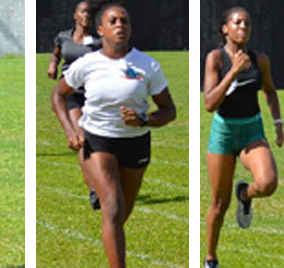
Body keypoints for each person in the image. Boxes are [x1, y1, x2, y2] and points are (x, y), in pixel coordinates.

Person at [51, 1, 176, 267]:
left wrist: (144, 119)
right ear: (100, 30)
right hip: (98, 139)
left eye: (125, 21)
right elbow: (58, 95)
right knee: (113, 207)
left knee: (119, 214)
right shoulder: (87, 64)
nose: (120, 25)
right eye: (113, 21)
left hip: (136, 143)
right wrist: (71, 130)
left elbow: (169, 110)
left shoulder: (147, 65)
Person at [202, 7, 284, 268]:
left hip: (252, 129)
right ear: (225, 28)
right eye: (237, 23)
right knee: (219, 203)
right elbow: (210, 103)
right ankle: (210, 258)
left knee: (268, 183)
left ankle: (246, 195)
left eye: (247, 24)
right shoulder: (216, 58)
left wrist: (278, 123)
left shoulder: (260, 60)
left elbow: (269, 91)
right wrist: (233, 72)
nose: (243, 27)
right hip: (224, 132)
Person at [48, 0, 103, 210]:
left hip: (91, 94)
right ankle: (94, 190)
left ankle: (98, 185)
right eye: (83, 12)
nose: (86, 15)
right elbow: (56, 52)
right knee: (82, 138)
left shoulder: (97, 42)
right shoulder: (63, 37)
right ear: (75, 15)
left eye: (89, 13)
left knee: (93, 140)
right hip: (69, 93)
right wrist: (53, 64)